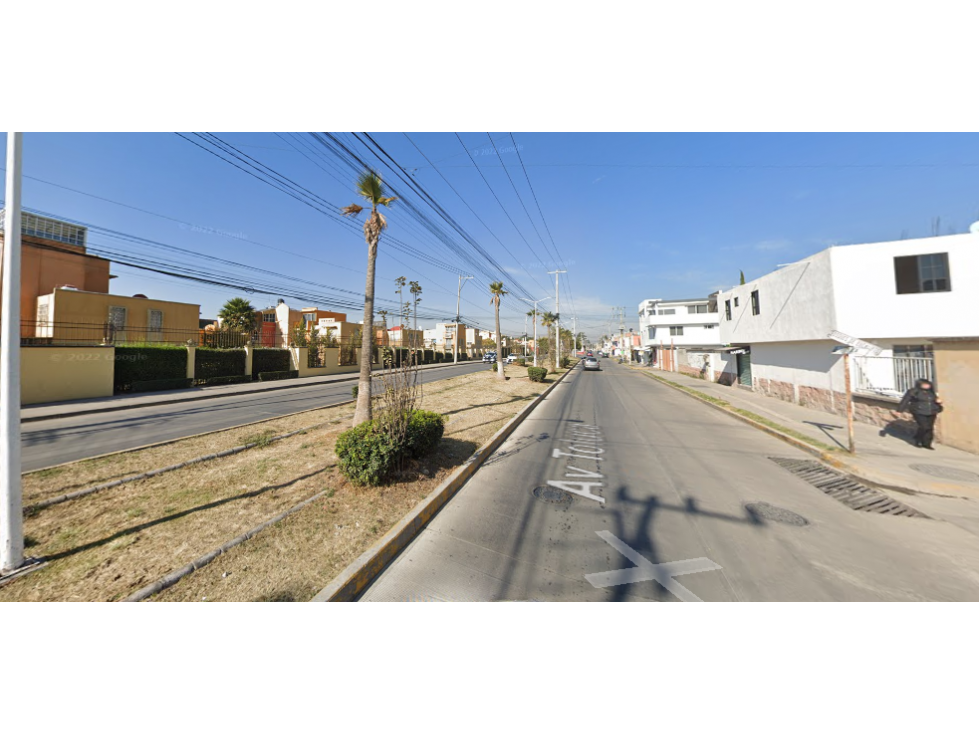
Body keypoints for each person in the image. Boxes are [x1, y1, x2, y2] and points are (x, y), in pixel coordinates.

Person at [899, 379, 944, 450]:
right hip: (918, 411)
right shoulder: (913, 391)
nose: (927, 386)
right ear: (919, 384)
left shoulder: (931, 392)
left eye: (928, 384)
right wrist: (900, 410)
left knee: (929, 428)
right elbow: (905, 400)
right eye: (924, 384)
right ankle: (918, 439)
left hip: (931, 411)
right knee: (924, 427)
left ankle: (927, 444)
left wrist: (939, 403)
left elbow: (935, 400)